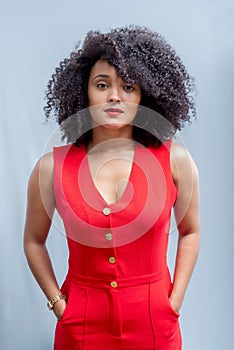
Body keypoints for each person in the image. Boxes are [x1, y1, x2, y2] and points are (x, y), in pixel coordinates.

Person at [23, 25, 200, 350]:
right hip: (81, 326)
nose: (115, 96)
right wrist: (59, 306)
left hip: (154, 324)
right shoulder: (50, 168)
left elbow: (190, 231)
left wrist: (174, 302)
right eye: (102, 85)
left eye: (129, 87)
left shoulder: (176, 161)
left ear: (146, 94)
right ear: (83, 91)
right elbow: (34, 241)